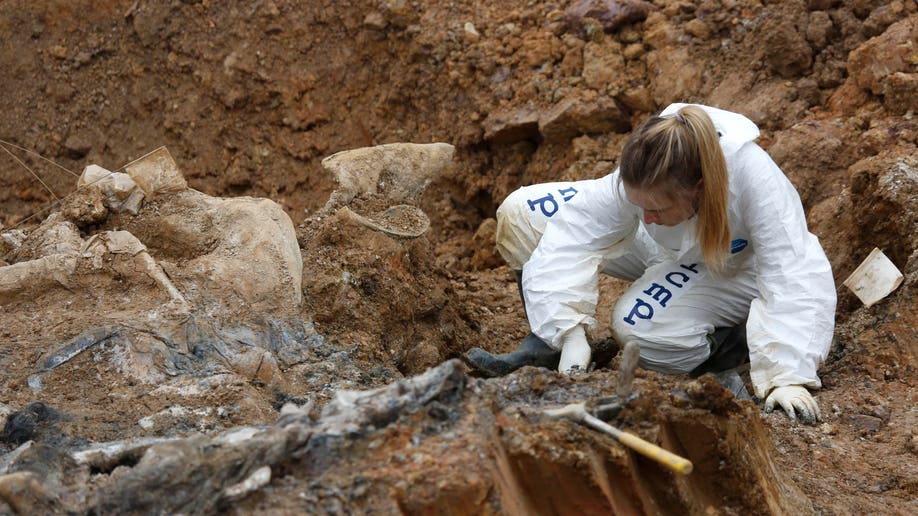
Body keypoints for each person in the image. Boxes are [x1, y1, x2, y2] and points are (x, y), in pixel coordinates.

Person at [463, 103, 836, 424]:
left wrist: (787, 375)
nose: (646, 216)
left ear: (700, 189)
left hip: (728, 265)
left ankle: (726, 348)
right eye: (637, 204)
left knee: (637, 330)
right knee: (521, 212)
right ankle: (547, 347)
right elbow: (576, 231)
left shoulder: (754, 178)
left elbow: (792, 270)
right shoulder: (654, 160)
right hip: (662, 244)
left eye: (655, 207)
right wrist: (569, 333)